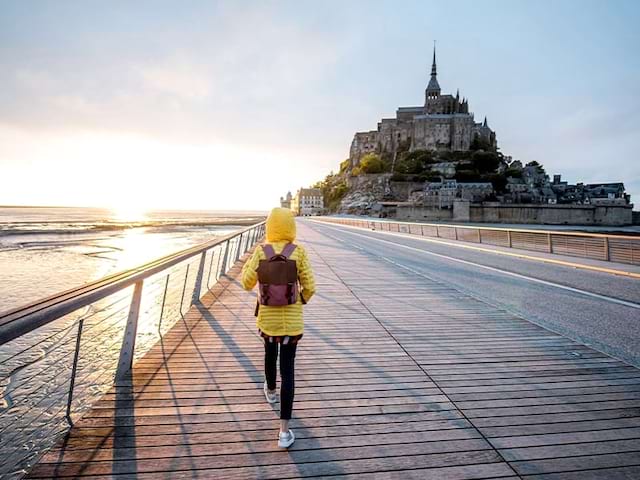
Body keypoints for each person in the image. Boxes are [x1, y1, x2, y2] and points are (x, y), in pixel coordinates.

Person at [241, 207, 316, 448]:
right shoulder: (299, 252)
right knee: (289, 370)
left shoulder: (261, 251)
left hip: (268, 320)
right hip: (292, 323)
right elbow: (310, 286)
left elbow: (246, 283)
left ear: (269, 227)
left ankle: (271, 391)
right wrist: (299, 301)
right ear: (291, 226)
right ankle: (284, 432)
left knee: (269, 354)